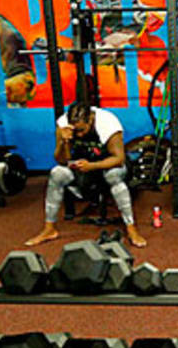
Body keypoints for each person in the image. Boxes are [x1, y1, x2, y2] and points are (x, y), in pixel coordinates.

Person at [25, 102, 146, 248]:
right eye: (76, 131)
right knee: (56, 173)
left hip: (110, 165)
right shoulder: (63, 124)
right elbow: (62, 160)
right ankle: (49, 229)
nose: (79, 135)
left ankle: (131, 228)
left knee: (113, 176)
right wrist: (64, 142)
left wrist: (92, 166)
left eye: (82, 130)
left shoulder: (108, 123)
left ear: (90, 120)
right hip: (84, 166)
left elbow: (119, 159)